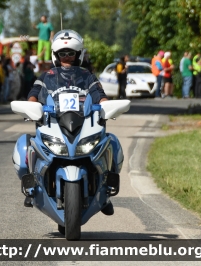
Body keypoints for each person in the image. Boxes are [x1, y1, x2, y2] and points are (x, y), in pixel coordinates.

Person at [27, 29, 121, 216]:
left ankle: (106, 193)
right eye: (63, 53)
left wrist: (107, 106)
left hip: (83, 123)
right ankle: (32, 189)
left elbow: (99, 96)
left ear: (78, 55)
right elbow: (33, 95)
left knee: (112, 143)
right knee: (25, 144)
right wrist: (31, 108)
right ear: (56, 55)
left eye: (71, 53)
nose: (67, 57)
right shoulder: (47, 76)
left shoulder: (87, 76)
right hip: (53, 123)